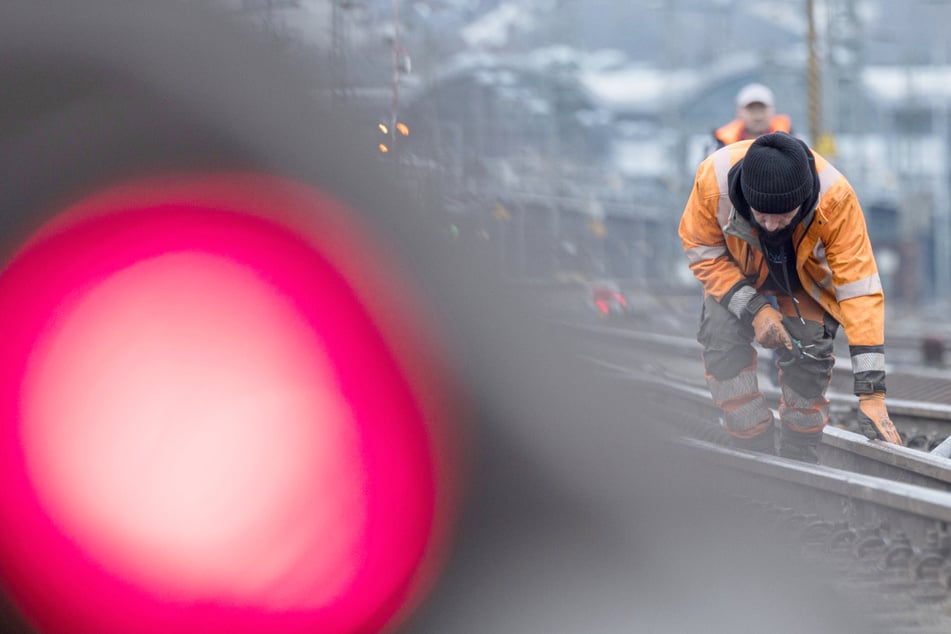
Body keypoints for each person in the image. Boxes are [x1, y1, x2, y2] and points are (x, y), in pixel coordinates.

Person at [678, 132, 902, 463]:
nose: (770, 225)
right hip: (735, 277)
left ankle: (799, 453)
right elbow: (703, 251)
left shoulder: (836, 199)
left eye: (782, 215)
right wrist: (755, 310)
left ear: (804, 198)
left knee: (810, 355)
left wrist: (872, 392)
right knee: (722, 342)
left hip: (802, 282)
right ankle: (753, 444)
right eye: (761, 214)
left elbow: (860, 289)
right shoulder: (713, 181)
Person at [711, 83, 792, 151]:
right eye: (751, 109)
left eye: (762, 109)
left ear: (773, 110)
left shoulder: (793, 141)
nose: (758, 116)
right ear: (738, 112)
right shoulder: (718, 146)